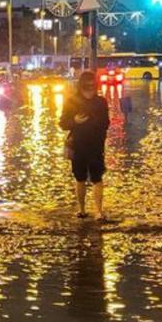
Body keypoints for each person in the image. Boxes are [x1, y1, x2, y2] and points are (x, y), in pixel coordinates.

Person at [59, 70, 110, 219]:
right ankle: (82, 210)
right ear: (81, 86)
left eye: (92, 86)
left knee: (97, 178)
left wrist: (92, 124)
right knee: (80, 178)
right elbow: (62, 123)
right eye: (87, 86)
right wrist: (75, 121)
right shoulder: (71, 101)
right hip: (78, 146)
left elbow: (106, 123)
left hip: (95, 146)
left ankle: (98, 211)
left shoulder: (101, 102)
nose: (90, 89)